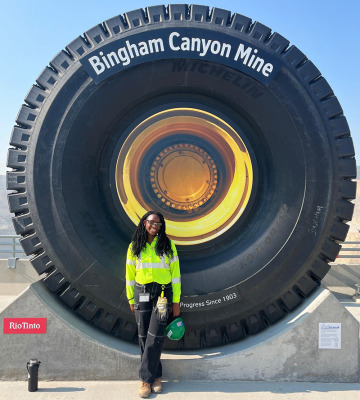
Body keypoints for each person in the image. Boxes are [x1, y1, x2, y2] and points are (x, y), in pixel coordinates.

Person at [126, 211, 181, 398]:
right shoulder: (135, 246)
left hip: (163, 295)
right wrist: (131, 298)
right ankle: (156, 377)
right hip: (141, 293)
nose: (154, 226)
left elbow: (176, 275)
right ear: (144, 223)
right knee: (143, 336)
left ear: (161, 226)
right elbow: (129, 275)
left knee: (155, 335)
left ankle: (145, 379)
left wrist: (176, 301)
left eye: (158, 224)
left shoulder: (168, 246)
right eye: (151, 222)